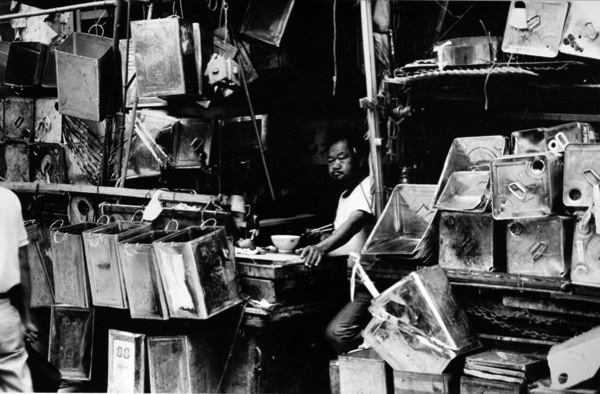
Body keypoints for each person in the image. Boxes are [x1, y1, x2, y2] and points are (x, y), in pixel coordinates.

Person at [298, 129, 375, 354]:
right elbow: (343, 235)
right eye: (331, 161)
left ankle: (373, 364)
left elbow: (355, 222)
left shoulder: (370, 185)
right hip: (345, 281)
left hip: (368, 283)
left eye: (342, 158)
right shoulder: (344, 196)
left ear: (358, 158)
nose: (335, 165)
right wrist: (321, 238)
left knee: (338, 333)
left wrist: (321, 247)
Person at [0, 186, 38, 392]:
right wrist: (25, 318)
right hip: (5, 312)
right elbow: (23, 262)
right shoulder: (9, 199)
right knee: (15, 382)